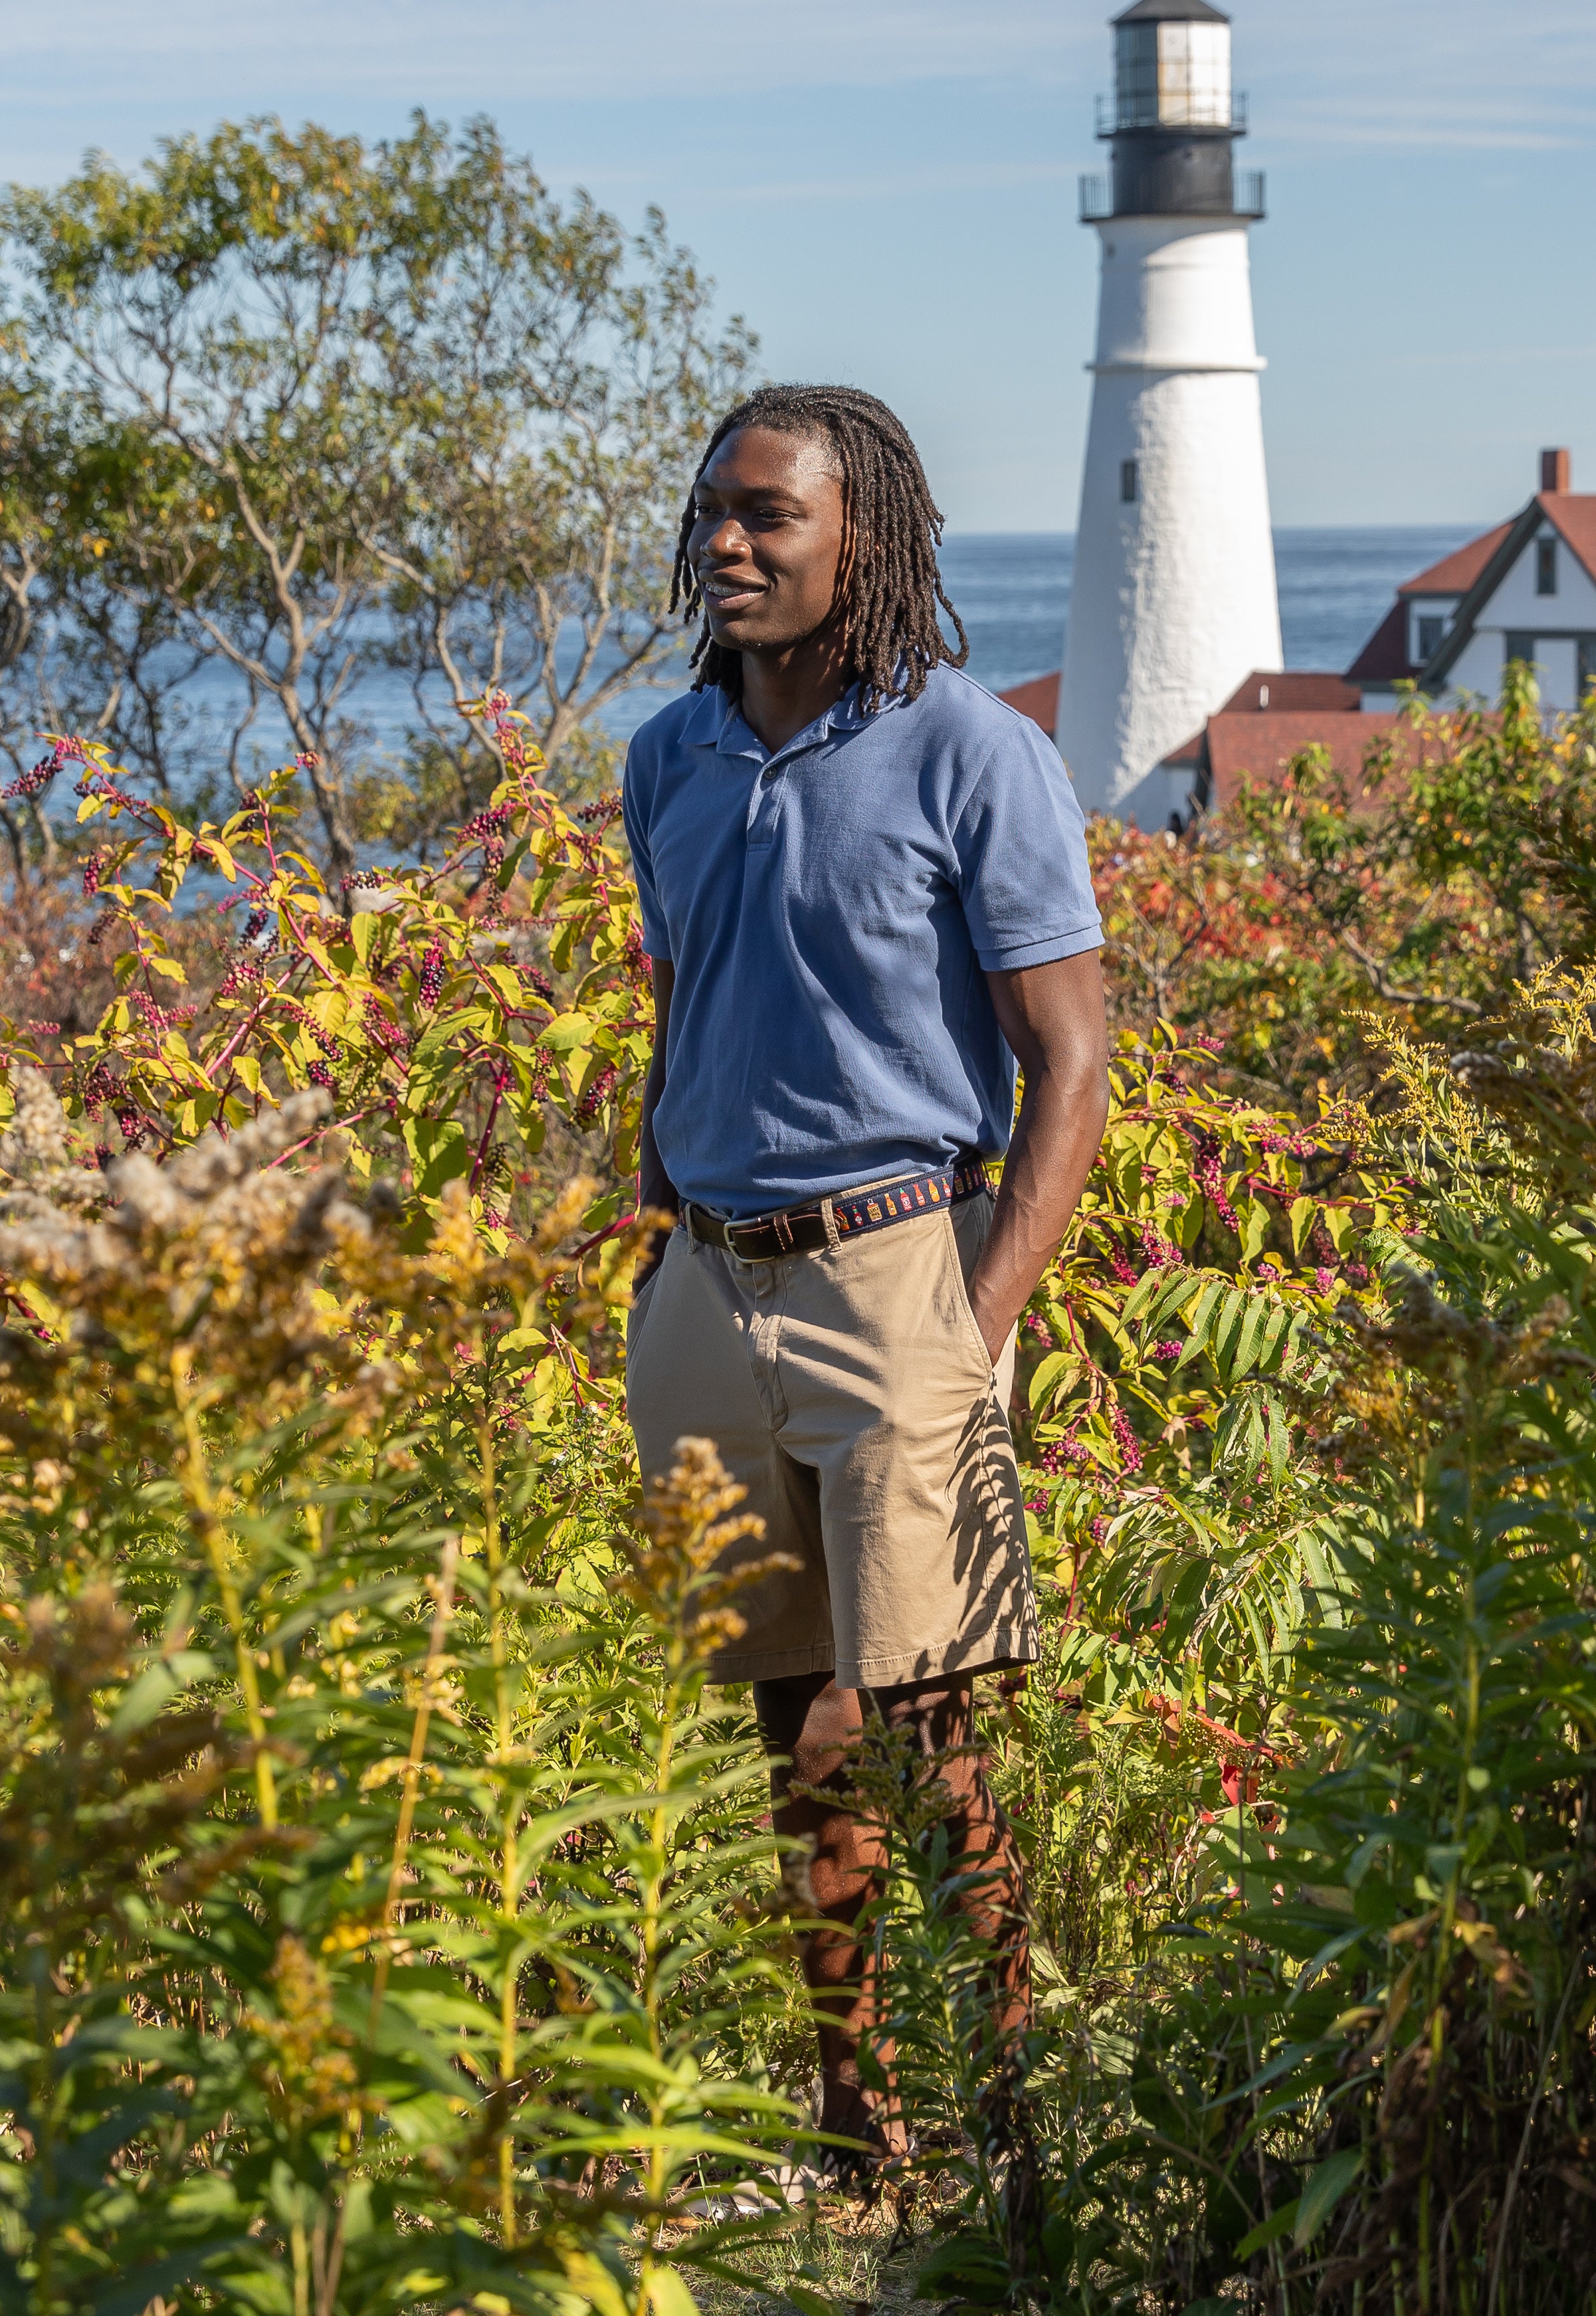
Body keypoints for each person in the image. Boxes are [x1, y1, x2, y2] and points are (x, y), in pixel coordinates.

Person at [619, 384, 1110, 2182]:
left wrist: (973, 1325)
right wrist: (652, 1244)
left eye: (769, 516)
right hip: (704, 1285)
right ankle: (857, 2129)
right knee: (785, 1724)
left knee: (916, 1723)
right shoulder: (668, 758)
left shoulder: (973, 753)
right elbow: (686, 1006)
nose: (726, 545)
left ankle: (1016, 2123)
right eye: (714, 513)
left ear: (865, 536)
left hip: (900, 1270)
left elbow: (1071, 1064)